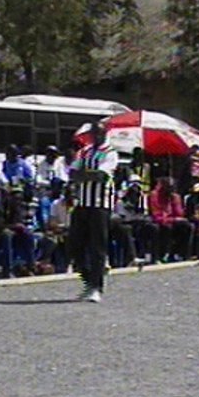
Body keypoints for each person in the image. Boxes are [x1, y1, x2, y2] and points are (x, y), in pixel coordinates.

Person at [67, 122, 118, 302]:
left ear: (105, 134)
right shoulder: (86, 151)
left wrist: (83, 175)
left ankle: (97, 287)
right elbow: (72, 173)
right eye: (94, 133)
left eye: (99, 133)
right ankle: (89, 281)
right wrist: (86, 174)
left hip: (99, 205)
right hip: (82, 203)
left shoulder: (110, 153)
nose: (96, 136)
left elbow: (101, 175)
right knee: (74, 245)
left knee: (98, 247)